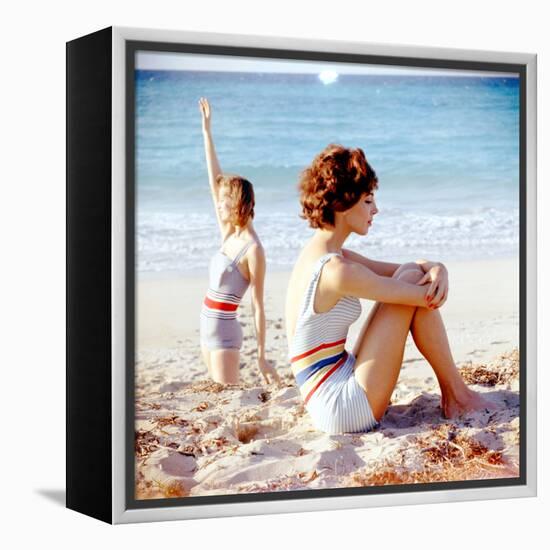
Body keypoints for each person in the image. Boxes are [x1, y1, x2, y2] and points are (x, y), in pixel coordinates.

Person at [285, 143, 493, 434]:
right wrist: (434, 279)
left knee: (409, 273)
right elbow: (423, 296)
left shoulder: (324, 254)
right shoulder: (337, 271)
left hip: (331, 384)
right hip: (341, 408)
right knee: (410, 281)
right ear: (345, 203)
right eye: (368, 200)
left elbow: (403, 269)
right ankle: (458, 396)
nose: (376, 210)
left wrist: (437, 267)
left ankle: (457, 394)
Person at [198, 97, 280, 386]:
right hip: (205, 325)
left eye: (223, 202)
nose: (217, 205)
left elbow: (258, 306)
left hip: (224, 334)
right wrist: (207, 132)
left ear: (235, 205)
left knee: (227, 397)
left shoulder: (253, 250)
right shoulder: (228, 232)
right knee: (215, 395)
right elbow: (214, 180)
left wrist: (261, 356)